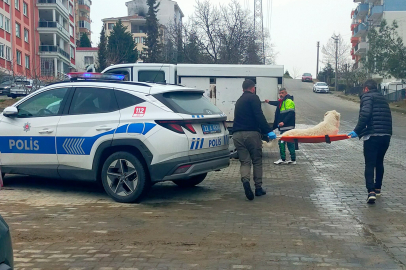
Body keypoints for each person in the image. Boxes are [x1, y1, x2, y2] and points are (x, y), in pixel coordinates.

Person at [348, 79, 392, 204]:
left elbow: (365, 115)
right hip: (386, 135)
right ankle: (378, 188)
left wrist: (357, 130)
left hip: (372, 136)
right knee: (379, 162)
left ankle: (371, 192)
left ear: (366, 88)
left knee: (370, 163)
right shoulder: (383, 99)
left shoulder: (367, 97)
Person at [233, 79, 276, 201]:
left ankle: (245, 181)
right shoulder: (254, 98)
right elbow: (258, 115)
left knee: (245, 162)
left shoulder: (239, 100)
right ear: (253, 88)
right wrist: (268, 130)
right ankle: (258, 188)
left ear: (243, 89)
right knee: (256, 161)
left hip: (237, 135)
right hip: (251, 134)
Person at [265, 88, 296, 165]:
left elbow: (290, 113)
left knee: (281, 142)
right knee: (289, 142)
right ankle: (292, 159)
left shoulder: (288, 101)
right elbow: (276, 103)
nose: (281, 95)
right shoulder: (282, 102)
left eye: (282, 93)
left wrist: (283, 122)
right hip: (286, 126)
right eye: (280, 93)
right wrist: (269, 102)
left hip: (287, 126)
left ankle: (283, 159)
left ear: (286, 93)